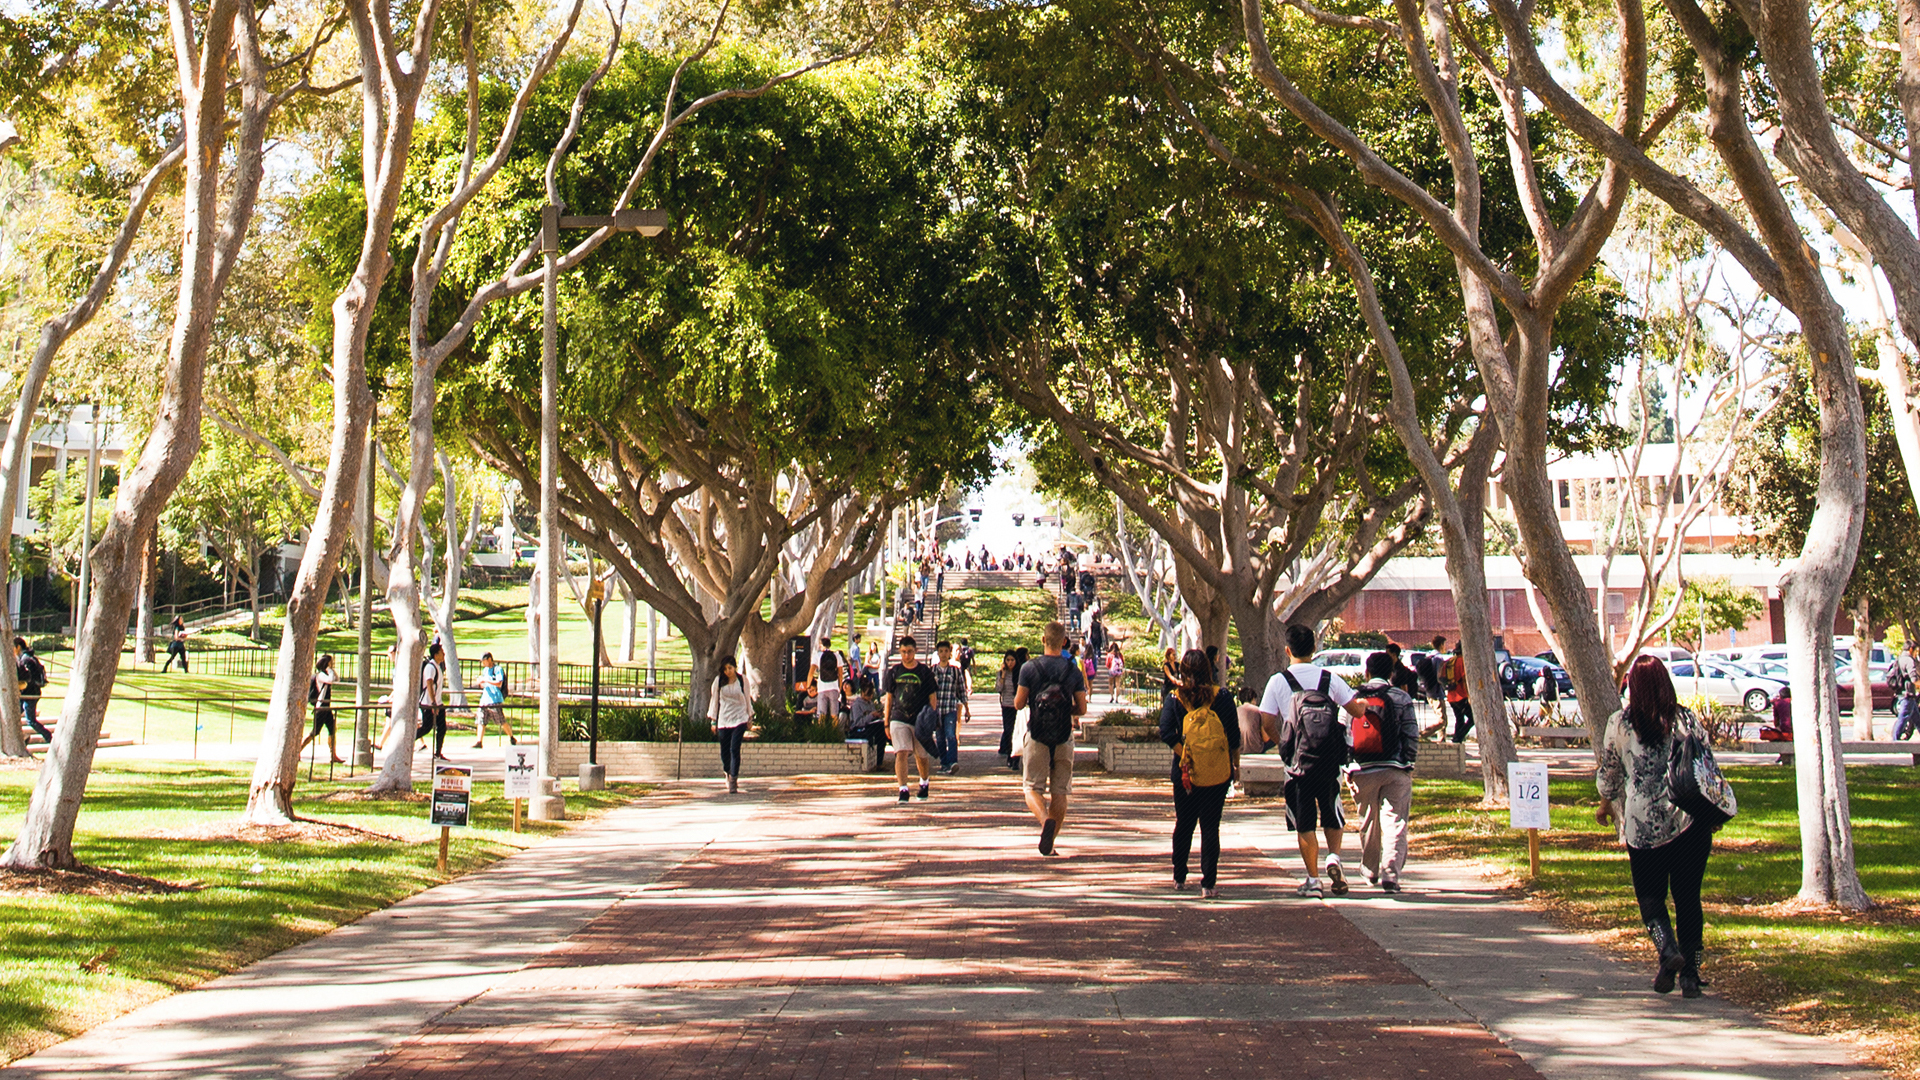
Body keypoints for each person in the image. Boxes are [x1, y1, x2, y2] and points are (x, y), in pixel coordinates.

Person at [1598, 656, 1718, 998]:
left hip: (1642, 825)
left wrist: (1606, 803)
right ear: (1667, 682)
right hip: (1688, 821)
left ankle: (1667, 950)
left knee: (1650, 896)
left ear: (1632, 687)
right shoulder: (1686, 720)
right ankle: (1692, 974)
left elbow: (1610, 774)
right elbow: (1706, 765)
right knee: (1688, 898)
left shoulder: (1620, 724)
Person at [1258, 623, 1369, 898]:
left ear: (1287, 650)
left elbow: (1266, 721)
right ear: (1315, 648)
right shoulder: (1329, 679)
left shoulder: (1278, 681)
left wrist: (1284, 745)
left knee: (1305, 822)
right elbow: (1354, 711)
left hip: (1297, 765)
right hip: (1328, 762)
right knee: (1332, 814)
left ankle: (1313, 879)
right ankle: (1334, 856)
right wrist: (1364, 705)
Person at [1159, 648, 1240, 897]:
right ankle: (1209, 883)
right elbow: (1233, 736)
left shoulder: (1175, 698)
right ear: (1209, 669)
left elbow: (1166, 731)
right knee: (1210, 826)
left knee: (1184, 823)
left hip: (1184, 773)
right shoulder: (1223, 697)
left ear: (1182, 671)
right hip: (1217, 771)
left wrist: (1185, 754)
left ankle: (1179, 876)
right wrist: (1234, 765)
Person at [1348, 651, 1421, 892]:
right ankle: (1391, 874)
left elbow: (1343, 734)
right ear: (1391, 674)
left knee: (1368, 820)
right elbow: (1411, 733)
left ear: (1366, 672)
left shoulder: (1353, 697)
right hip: (1395, 768)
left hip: (1362, 769)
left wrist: (1347, 767)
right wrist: (1408, 763)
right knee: (1395, 821)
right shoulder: (1401, 697)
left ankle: (1369, 870)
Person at [1014, 620, 1087, 856]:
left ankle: (1045, 821)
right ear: (1064, 641)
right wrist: (1067, 711)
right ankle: (1051, 842)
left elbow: (1018, 703)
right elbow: (1082, 708)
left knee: (1031, 788)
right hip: (1064, 736)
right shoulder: (1073, 670)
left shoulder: (1029, 668)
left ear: (1043, 639)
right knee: (1060, 792)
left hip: (1037, 734)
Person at [883, 636, 939, 802]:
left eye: (909, 652)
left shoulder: (924, 672)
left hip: (920, 719)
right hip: (899, 717)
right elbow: (889, 698)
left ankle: (924, 782)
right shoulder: (894, 672)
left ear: (915, 651)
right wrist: (886, 722)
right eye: (903, 652)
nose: (906, 655)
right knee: (901, 752)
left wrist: (930, 718)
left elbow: (932, 697)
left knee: (921, 755)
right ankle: (903, 789)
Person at [707, 656, 753, 793]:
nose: (728, 671)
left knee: (734, 748)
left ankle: (733, 779)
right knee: (724, 750)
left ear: (735, 668)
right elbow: (714, 701)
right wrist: (713, 720)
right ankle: (727, 771)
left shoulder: (742, 680)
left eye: (730, 668)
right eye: (725, 669)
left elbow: (747, 699)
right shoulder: (719, 681)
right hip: (724, 718)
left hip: (740, 718)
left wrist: (750, 716)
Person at [932, 640, 969, 773]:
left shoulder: (955, 671)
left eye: (946, 651)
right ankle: (944, 763)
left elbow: (961, 689)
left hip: (950, 708)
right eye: (941, 651)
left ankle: (953, 761)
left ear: (950, 652)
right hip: (937, 709)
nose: (943, 654)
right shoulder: (933, 670)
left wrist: (966, 708)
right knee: (940, 738)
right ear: (938, 653)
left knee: (951, 735)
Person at [299, 654, 343, 763]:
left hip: (326, 707)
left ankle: (333, 755)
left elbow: (337, 678)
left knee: (332, 729)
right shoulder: (321, 676)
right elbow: (331, 680)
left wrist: (331, 670)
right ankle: (297, 751)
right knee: (315, 732)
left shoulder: (326, 674)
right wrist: (329, 669)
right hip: (321, 706)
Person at [471, 651, 516, 747]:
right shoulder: (485, 670)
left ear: (489, 659)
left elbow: (499, 683)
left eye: (484, 661)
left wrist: (486, 680)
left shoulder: (497, 669)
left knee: (501, 720)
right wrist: (480, 682)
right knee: (481, 720)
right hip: (485, 699)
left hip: (494, 699)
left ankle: (511, 736)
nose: (483, 664)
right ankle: (479, 741)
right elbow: (484, 684)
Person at [13, 637, 50, 745]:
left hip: (30, 694)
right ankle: (22, 738)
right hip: (27, 694)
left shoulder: (25, 659)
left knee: (31, 720)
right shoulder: (28, 657)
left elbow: (29, 679)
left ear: (18, 647)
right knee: (14, 715)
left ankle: (49, 737)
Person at [418, 641, 448, 760]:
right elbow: (429, 684)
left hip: (437, 703)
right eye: (441, 653)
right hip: (429, 704)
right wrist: (433, 703)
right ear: (436, 655)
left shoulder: (437, 667)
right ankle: (408, 742)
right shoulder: (430, 667)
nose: (443, 655)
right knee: (426, 727)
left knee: (442, 727)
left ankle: (438, 753)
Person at [995, 651, 1022, 768]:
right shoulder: (1001, 673)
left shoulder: (1020, 673)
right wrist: (1003, 676)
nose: (1010, 663)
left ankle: (1016, 758)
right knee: (1008, 730)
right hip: (1006, 705)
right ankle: (1009, 754)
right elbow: (998, 688)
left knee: (1017, 731)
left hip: (1017, 705)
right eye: (1008, 660)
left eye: (1012, 660)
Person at [812, 636, 847, 725]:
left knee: (822, 715)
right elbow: (840, 673)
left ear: (821, 645)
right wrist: (839, 687)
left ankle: (821, 733)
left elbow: (811, 672)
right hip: (834, 687)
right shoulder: (837, 656)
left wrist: (808, 684)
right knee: (834, 714)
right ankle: (834, 734)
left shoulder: (818, 656)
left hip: (822, 688)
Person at [1444, 642, 1474, 743]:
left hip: (1451, 696)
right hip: (1461, 695)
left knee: (1459, 719)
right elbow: (1465, 679)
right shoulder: (1462, 662)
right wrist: (1469, 695)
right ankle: (1458, 738)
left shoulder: (1450, 661)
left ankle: (1457, 741)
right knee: (1473, 718)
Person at [1892, 643, 1919, 740]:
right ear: (1911, 649)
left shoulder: (1899, 659)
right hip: (1908, 695)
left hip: (1902, 693)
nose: (1916, 654)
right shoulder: (1909, 660)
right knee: (1903, 718)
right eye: (1916, 651)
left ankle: (1894, 740)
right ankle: (1894, 741)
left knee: (1917, 719)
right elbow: (1914, 679)